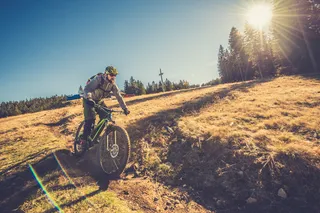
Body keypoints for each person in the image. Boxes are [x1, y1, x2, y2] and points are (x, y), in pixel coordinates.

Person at [81, 66, 130, 145]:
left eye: (115, 75)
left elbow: (119, 96)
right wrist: (89, 98)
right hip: (88, 99)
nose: (113, 77)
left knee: (106, 115)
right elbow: (87, 89)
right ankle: (84, 139)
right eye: (111, 75)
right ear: (106, 74)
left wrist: (125, 108)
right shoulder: (98, 79)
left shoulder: (113, 85)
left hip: (98, 101)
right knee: (91, 118)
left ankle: (94, 137)